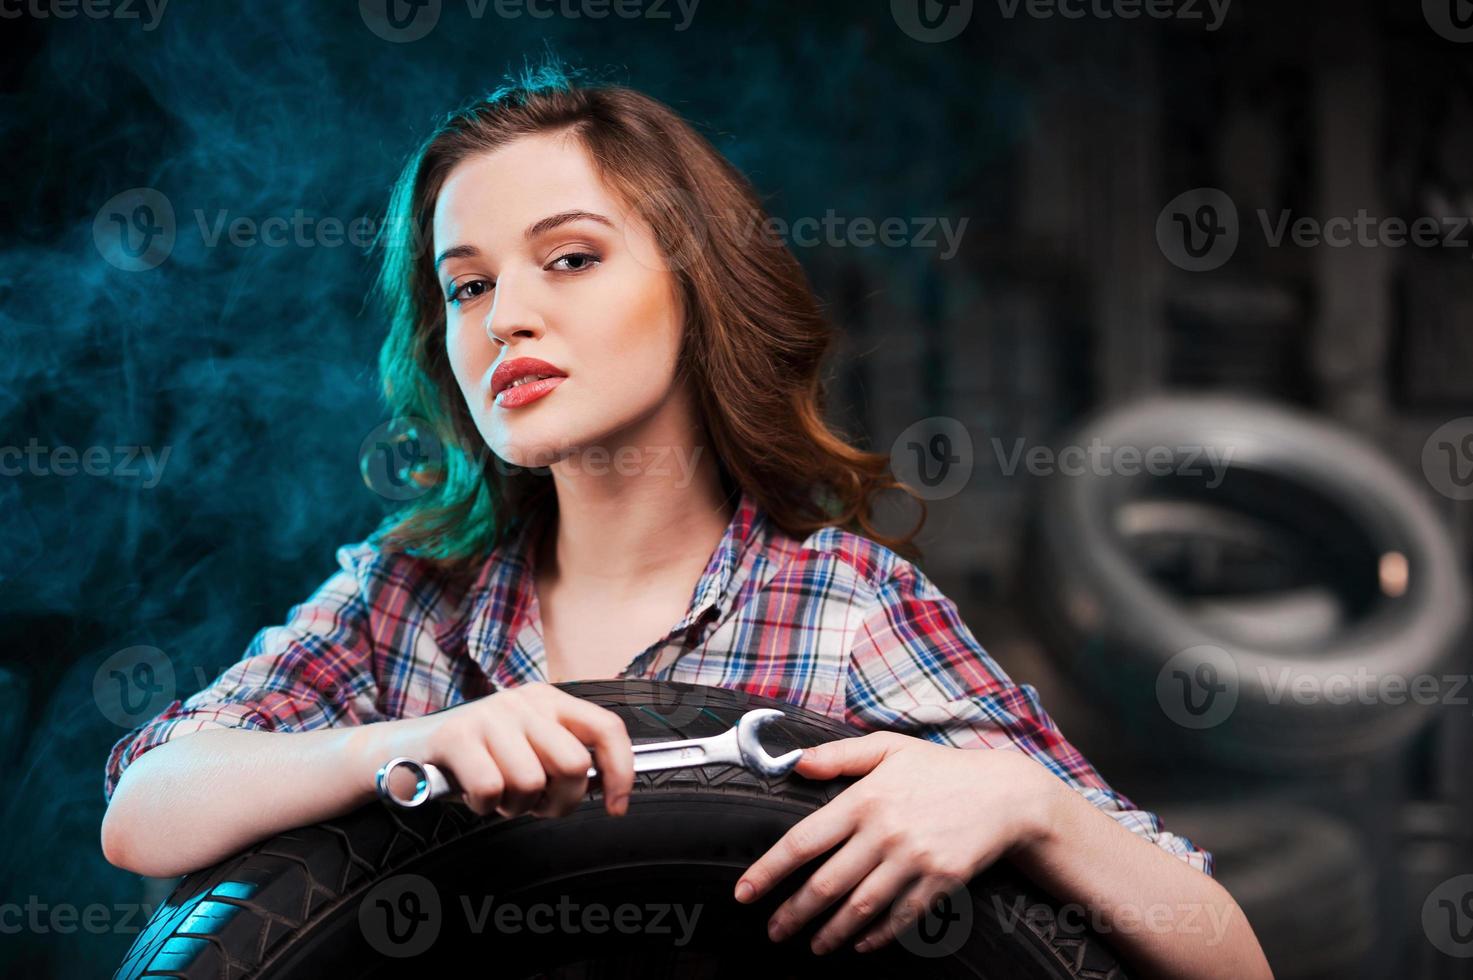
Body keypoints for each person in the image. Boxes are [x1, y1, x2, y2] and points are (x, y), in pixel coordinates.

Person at [100, 61, 1270, 977]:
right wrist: (389, 748)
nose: (506, 314)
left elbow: (1224, 952)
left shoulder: (846, 606)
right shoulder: (405, 599)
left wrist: (1025, 802)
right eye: (466, 285)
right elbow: (144, 810)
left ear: (697, 283)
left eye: (569, 258)